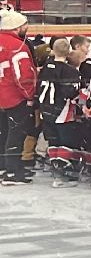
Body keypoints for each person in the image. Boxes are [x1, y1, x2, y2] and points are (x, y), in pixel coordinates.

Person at [0, 10, 35, 184]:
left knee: (3, 132)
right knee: (16, 133)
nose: (26, 27)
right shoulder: (18, 46)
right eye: (24, 25)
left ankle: (4, 167)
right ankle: (12, 172)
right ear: (16, 27)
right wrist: (29, 95)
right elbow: (23, 75)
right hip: (14, 97)